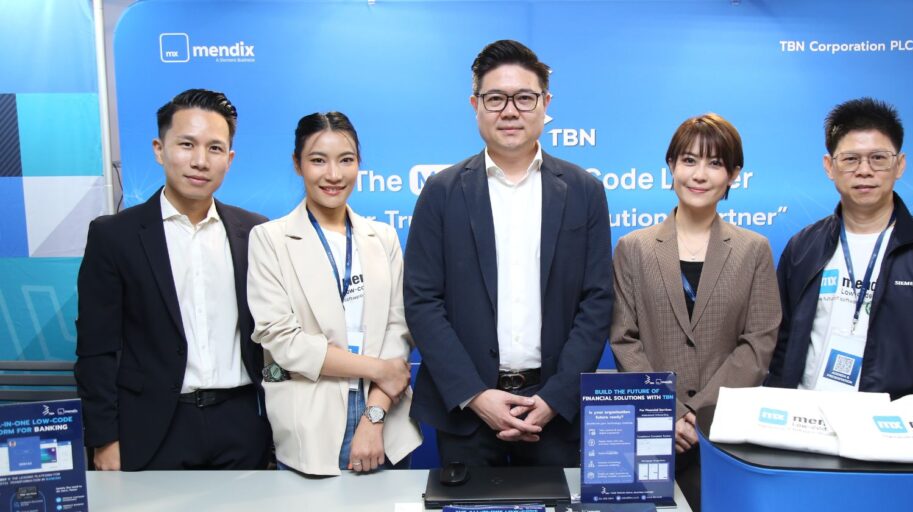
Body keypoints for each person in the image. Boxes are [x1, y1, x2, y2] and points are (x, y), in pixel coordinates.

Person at [404, 39, 613, 468]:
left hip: (554, 414)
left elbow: (597, 302)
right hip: (467, 414)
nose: (510, 111)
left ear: (545, 103)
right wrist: (475, 395)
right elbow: (422, 301)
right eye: (496, 98)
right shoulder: (441, 192)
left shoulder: (584, 191)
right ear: (475, 105)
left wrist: (556, 397)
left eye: (524, 98)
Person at [75, 89, 271, 470]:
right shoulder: (114, 236)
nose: (200, 161)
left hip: (242, 424)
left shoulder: (255, 232)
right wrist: (104, 439)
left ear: (229, 159)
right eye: (186, 144)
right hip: (152, 428)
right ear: (159, 149)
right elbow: (96, 351)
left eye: (215, 148)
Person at [610, 113, 781, 510]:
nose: (699, 174)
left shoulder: (754, 250)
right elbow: (623, 338)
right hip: (650, 432)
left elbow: (758, 343)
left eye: (715, 163)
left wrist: (698, 413)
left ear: (733, 175)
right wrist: (665, 412)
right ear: (671, 166)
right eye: (689, 160)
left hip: (723, 434)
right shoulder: (633, 248)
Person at [247, 112, 421, 475]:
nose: (333, 174)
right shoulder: (270, 240)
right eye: (318, 160)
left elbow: (399, 328)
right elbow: (284, 341)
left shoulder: (383, 237)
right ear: (297, 164)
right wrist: (378, 369)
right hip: (310, 422)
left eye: (346, 160)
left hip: (386, 417)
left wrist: (374, 415)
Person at [767, 97, 913, 395]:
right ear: (829, 166)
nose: (864, 170)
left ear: (899, 165)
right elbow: (781, 342)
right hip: (807, 413)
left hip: (891, 419)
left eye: (878, 158)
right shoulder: (802, 248)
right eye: (850, 159)